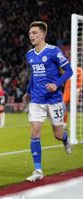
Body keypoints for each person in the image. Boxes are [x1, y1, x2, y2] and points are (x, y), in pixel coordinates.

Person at [23, 21, 73, 182]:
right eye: (30, 33)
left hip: (54, 100)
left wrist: (56, 84)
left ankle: (65, 139)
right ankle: (38, 170)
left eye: (35, 33)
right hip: (37, 100)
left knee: (57, 135)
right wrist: (28, 91)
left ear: (43, 35)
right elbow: (32, 75)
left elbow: (69, 70)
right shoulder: (30, 54)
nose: (31, 36)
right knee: (34, 132)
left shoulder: (53, 51)